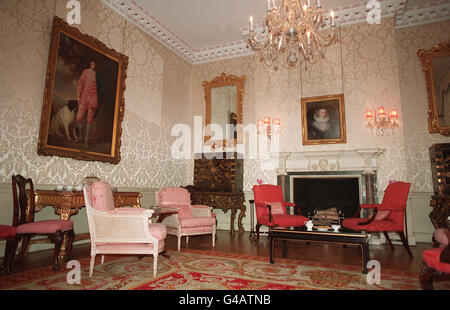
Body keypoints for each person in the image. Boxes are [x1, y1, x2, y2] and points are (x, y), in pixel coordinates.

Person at [76, 58, 104, 148]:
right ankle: (80, 137)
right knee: (79, 118)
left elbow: (102, 89)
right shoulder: (85, 72)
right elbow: (80, 83)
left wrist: (98, 98)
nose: (93, 65)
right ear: (90, 63)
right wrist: (78, 96)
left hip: (93, 99)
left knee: (89, 119)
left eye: (94, 64)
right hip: (84, 98)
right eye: (92, 63)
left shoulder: (97, 76)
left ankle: (86, 140)